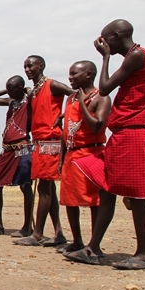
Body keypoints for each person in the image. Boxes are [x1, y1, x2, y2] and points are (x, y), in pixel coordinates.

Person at [65, 20, 145, 270]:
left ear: (117, 35)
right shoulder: (135, 58)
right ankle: (92, 249)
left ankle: (144, 255)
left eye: (105, 38)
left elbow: (105, 88)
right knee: (106, 191)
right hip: (121, 133)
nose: (103, 43)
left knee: (136, 194)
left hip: (131, 132)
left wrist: (105, 57)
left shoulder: (137, 55)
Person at [14, 55, 72, 246]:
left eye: (30, 66)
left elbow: (77, 94)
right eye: (25, 66)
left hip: (51, 141)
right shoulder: (34, 92)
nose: (27, 69)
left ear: (41, 66)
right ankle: (58, 233)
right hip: (39, 141)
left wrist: (67, 113)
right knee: (48, 188)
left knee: (44, 188)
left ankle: (37, 234)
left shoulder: (52, 85)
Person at [57, 61, 109, 254]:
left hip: (91, 153)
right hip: (72, 154)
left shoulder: (101, 97)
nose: (70, 77)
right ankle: (77, 241)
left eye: (74, 74)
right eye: (69, 74)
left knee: (94, 201)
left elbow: (97, 126)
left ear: (88, 74)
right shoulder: (70, 98)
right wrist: (61, 159)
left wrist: (82, 103)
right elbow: (66, 131)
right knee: (70, 200)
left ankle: (94, 244)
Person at [0, 76, 33, 237]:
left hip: (22, 148)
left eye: (12, 89)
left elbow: (34, 98)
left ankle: (27, 227)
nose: (9, 92)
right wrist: (7, 90)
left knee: (25, 186)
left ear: (20, 88)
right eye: (7, 89)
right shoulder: (11, 101)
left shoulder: (28, 101)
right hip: (7, 150)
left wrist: (28, 91)